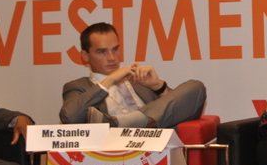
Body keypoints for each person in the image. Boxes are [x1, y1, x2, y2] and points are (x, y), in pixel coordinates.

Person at [60, 22, 207, 128]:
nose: (112, 58)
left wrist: (158, 87)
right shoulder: (78, 87)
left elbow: (186, 109)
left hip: (154, 144)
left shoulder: (138, 80)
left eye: (115, 49)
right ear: (85, 56)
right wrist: (110, 79)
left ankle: (119, 123)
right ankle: (127, 124)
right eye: (102, 52)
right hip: (114, 147)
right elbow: (70, 117)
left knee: (196, 86)